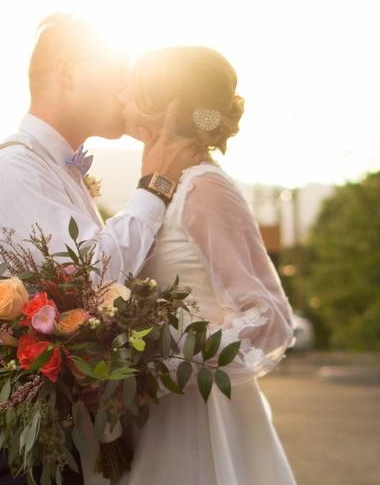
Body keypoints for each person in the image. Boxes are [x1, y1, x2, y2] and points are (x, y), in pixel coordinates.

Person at [0, 14, 203, 485]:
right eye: (117, 74)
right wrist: (155, 184)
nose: (125, 89)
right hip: (31, 434)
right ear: (68, 72)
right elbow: (88, 275)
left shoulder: (60, 172)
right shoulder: (13, 169)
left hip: (69, 421)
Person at [116, 46, 298, 485]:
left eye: (135, 90)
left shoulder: (205, 189)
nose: (122, 97)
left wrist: (170, 358)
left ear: (167, 108)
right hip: (158, 412)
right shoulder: (166, 186)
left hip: (197, 413)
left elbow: (269, 318)